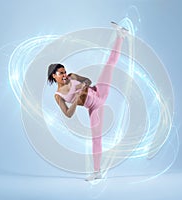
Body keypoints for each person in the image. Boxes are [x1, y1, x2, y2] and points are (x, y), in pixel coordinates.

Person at [47, 22, 128, 181]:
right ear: (53, 77)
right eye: (61, 73)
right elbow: (68, 114)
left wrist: (81, 81)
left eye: (64, 72)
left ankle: (121, 36)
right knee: (96, 140)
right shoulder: (58, 96)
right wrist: (77, 98)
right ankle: (96, 172)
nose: (64, 75)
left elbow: (89, 81)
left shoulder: (72, 77)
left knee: (109, 64)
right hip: (94, 108)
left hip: (99, 91)